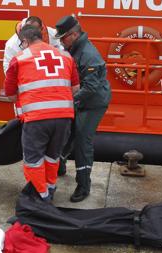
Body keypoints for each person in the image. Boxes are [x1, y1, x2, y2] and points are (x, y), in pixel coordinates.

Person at [3, 24, 80, 202]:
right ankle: (50, 189)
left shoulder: (19, 59)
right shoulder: (65, 56)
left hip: (37, 119)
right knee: (52, 156)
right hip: (64, 118)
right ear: (42, 37)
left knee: (33, 160)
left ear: (24, 41)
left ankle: (38, 198)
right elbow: (76, 88)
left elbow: (11, 96)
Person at [54, 15, 112, 202]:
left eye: (63, 37)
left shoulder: (88, 55)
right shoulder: (74, 49)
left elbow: (91, 88)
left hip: (93, 104)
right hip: (80, 101)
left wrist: (68, 101)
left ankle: (83, 185)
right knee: (67, 133)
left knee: (82, 142)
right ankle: (60, 166)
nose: (61, 41)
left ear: (73, 35)